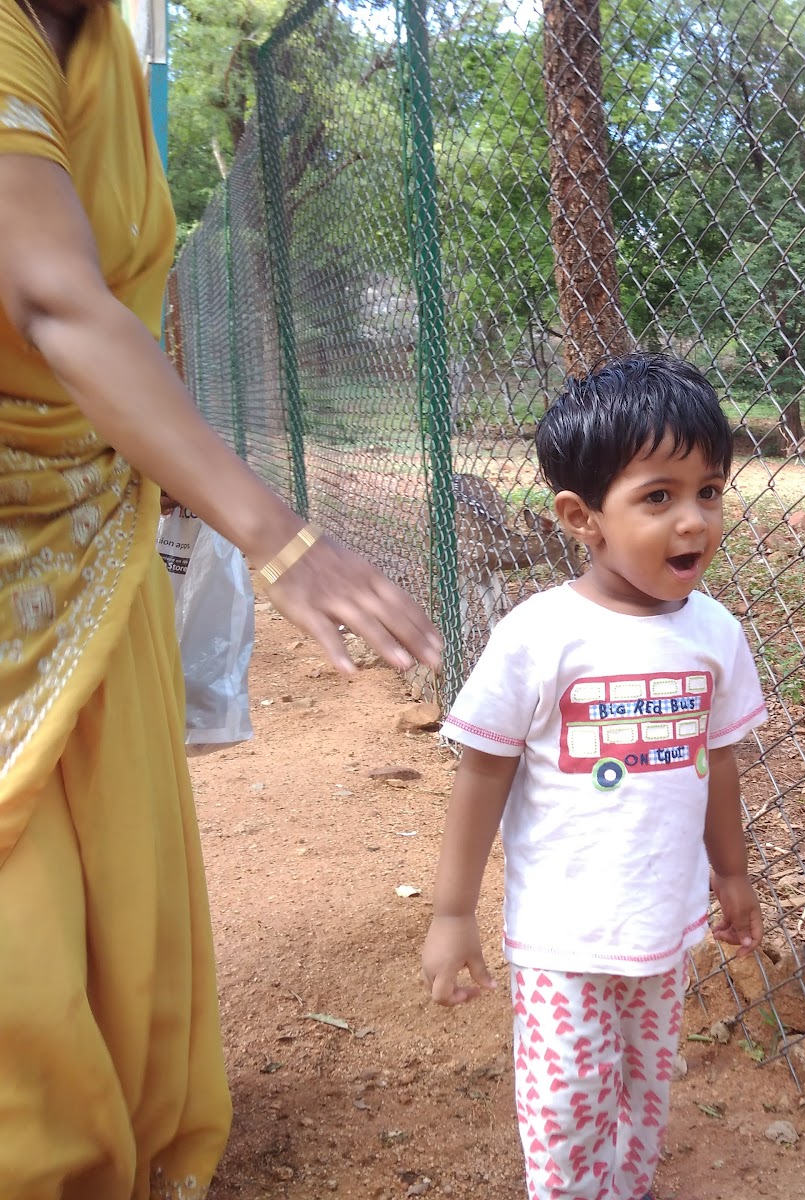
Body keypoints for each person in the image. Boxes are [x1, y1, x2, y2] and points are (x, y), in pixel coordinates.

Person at [0, 1, 442, 1196]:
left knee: (115, 860)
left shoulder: (88, 39)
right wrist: (282, 543)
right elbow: (48, 299)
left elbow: (113, 315)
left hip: (87, 520)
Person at [421, 353, 768, 1200]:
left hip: (664, 920)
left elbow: (716, 761)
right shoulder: (539, 636)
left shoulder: (715, 633)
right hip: (562, 935)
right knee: (569, 1100)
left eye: (710, 491)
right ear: (583, 517)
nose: (694, 521)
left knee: (646, 1092)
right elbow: (482, 776)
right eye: (659, 498)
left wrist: (732, 874)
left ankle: (627, 1186)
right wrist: (453, 912)